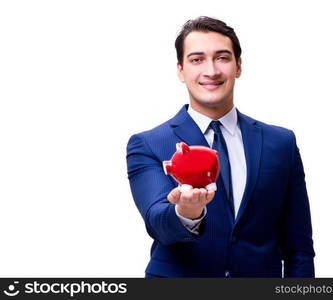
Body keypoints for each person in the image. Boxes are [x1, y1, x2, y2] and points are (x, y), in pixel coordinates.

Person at [126, 16, 315, 278]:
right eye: (197, 59)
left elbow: (299, 248)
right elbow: (158, 223)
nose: (211, 70)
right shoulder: (148, 144)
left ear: (239, 66)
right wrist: (186, 212)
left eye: (222, 58)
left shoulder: (281, 143)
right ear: (180, 70)